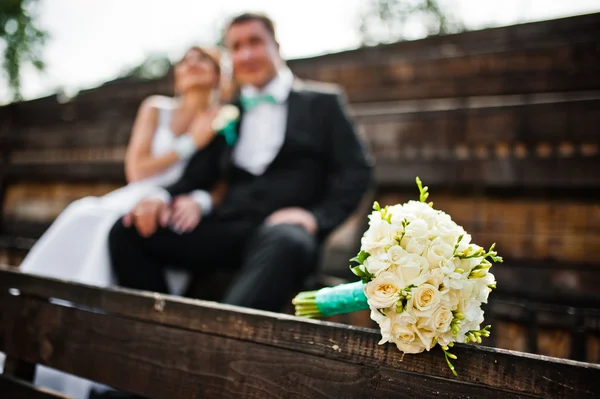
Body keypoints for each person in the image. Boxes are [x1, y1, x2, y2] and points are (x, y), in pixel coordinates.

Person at [109, 12, 373, 313]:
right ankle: (161, 326)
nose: (246, 54)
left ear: (276, 45)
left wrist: (316, 218)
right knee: (128, 230)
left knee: (286, 242)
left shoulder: (323, 102)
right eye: (236, 47)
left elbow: (358, 171)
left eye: (255, 42)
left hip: (283, 233)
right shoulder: (226, 111)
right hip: (225, 227)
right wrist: (159, 197)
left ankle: (219, 342)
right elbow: (199, 173)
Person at [16, 45, 226, 399]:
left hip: (172, 208)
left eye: (203, 58)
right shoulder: (156, 107)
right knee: (85, 216)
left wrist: (195, 199)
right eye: (186, 59)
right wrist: (190, 142)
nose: (192, 64)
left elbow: (220, 181)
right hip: (137, 194)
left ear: (219, 73)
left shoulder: (223, 118)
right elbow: (137, 170)